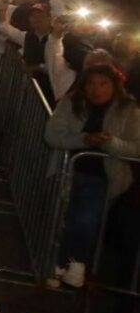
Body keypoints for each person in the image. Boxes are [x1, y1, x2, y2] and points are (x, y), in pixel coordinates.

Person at [44, 64, 139, 288]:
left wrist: (110, 143)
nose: (97, 90)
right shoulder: (71, 103)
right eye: (91, 84)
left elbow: (136, 147)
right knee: (60, 218)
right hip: (67, 170)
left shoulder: (129, 110)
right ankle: (62, 263)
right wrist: (83, 140)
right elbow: (53, 134)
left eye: (103, 84)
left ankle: (70, 262)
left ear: (114, 85)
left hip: (102, 176)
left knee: (85, 220)